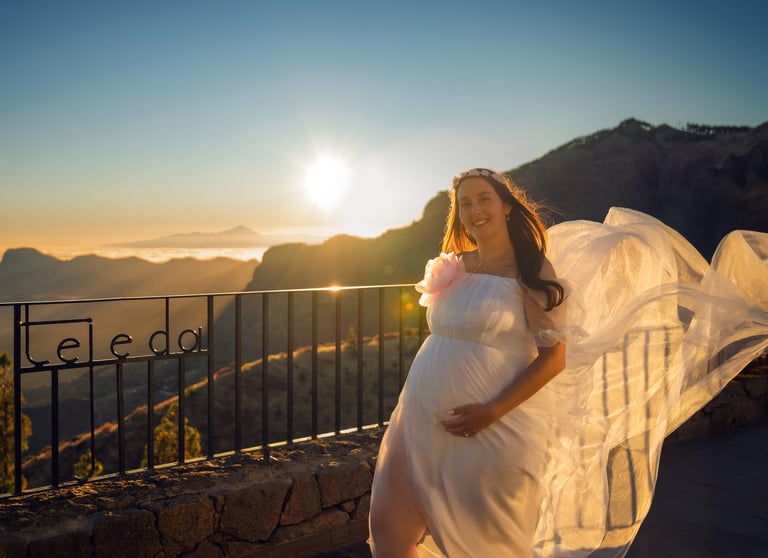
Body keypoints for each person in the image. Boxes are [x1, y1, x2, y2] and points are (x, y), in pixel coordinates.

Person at [368, 167, 768, 557]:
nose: (475, 211)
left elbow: (553, 358)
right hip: (419, 415)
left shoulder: (532, 270)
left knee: (487, 546)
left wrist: (491, 411)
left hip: (495, 425)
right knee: (388, 531)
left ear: (507, 206)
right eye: (466, 203)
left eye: (484, 199)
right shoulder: (455, 263)